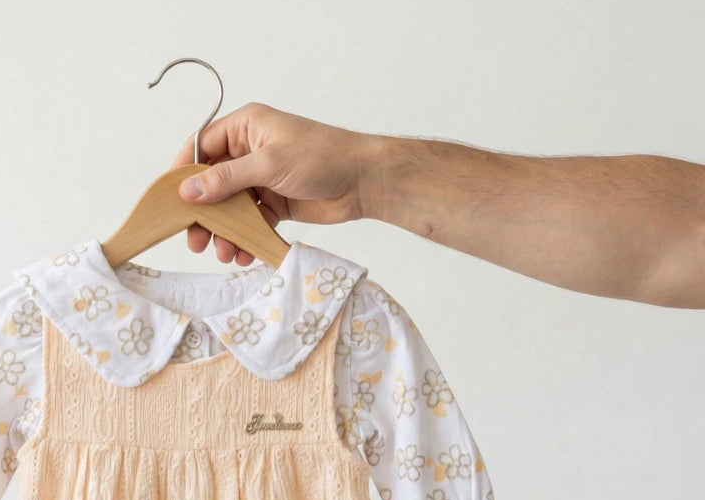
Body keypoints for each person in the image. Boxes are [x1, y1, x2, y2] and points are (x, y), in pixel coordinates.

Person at [169, 103, 705, 310]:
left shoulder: (347, 321)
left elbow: (678, 245)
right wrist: (366, 178)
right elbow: (680, 242)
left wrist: (369, 177)